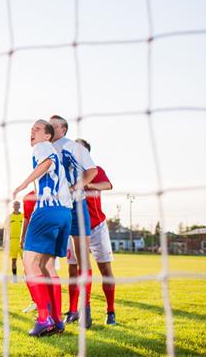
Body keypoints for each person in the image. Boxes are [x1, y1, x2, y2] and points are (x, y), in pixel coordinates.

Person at [13, 120, 72, 337]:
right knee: (48, 266)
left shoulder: (42, 147)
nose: (32, 132)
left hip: (47, 209)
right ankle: (57, 320)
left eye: (37, 129)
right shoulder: (54, 150)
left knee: (29, 263)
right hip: (64, 213)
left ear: (48, 136)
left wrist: (23, 184)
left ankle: (43, 318)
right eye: (31, 130)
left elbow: (45, 163)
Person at [49, 115, 98, 328]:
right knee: (51, 261)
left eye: (53, 124)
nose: (49, 127)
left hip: (77, 207)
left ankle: (85, 308)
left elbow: (92, 171)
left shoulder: (74, 147)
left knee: (82, 259)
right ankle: (57, 312)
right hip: (54, 208)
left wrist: (75, 187)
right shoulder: (43, 148)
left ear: (63, 128)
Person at [66, 138, 116, 326]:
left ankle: (110, 311)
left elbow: (108, 185)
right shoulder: (68, 173)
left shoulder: (95, 170)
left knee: (105, 269)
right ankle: (75, 311)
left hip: (96, 227)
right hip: (75, 228)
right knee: (73, 269)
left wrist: (91, 186)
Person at [20, 190, 37, 313]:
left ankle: (49, 304)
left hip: (48, 235)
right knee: (28, 270)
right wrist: (22, 237)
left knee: (46, 270)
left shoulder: (54, 191)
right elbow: (26, 218)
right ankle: (36, 301)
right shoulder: (28, 197)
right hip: (32, 237)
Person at [5, 200, 24, 283]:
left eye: (18, 205)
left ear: (20, 206)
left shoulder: (23, 216)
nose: (16, 206)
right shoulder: (9, 217)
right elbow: (6, 230)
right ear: (13, 206)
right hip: (12, 240)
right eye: (15, 205)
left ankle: (25, 277)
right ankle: (15, 278)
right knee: (14, 260)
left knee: (25, 261)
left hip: (23, 241)